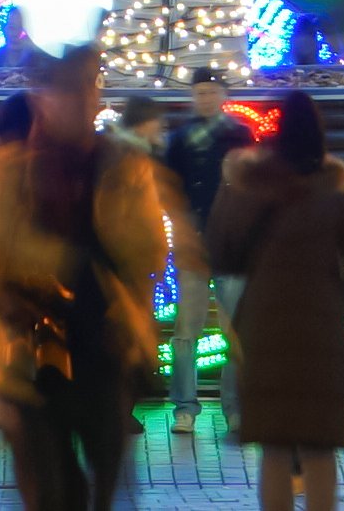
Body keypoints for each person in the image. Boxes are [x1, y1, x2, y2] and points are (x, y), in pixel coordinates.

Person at [0, 44, 168, 511]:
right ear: (45, 97)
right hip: (26, 354)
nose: (83, 101)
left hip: (105, 350)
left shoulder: (125, 168)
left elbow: (151, 251)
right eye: (70, 89)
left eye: (90, 87)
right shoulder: (2, 172)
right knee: (52, 492)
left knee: (104, 486)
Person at [205, 92, 344, 511]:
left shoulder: (247, 189)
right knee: (320, 449)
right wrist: (343, 301)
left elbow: (220, 252)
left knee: (275, 449)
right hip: (321, 331)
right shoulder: (334, 196)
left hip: (264, 330)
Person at [151, 95, 238, 442]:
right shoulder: (181, 140)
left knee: (229, 330)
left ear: (221, 96)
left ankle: (230, 407)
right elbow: (167, 191)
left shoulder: (237, 136)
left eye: (209, 91)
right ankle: (188, 407)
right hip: (194, 249)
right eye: (200, 92)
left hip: (228, 248)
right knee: (188, 330)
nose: (204, 99)